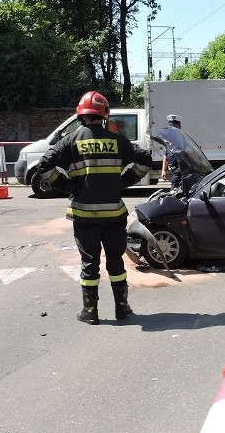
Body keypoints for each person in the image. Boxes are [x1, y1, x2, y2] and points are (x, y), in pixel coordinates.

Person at [36, 91, 151, 325]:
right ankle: (122, 308)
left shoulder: (69, 141)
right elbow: (145, 161)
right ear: (104, 115)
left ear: (81, 116)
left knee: (90, 263)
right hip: (114, 216)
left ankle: (90, 311)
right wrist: (123, 182)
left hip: (84, 215)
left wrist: (67, 186)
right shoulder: (118, 141)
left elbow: (43, 166)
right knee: (116, 262)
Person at [160, 114, 183, 188]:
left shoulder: (182, 139)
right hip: (172, 169)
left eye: (175, 126)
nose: (173, 128)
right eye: (172, 127)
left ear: (179, 127)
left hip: (180, 170)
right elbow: (165, 155)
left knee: (175, 189)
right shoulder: (168, 139)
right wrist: (164, 170)